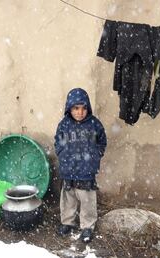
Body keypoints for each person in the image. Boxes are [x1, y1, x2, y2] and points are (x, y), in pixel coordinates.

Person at [54, 88, 107, 243]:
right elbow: (58, 141)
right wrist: (62, 153)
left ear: (88, 108)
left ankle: (87, 226)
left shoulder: (94, 124)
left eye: (84, 108)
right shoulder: (64, 125)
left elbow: (102, 141)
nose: (80, 112)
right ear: (69, 108)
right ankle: (67, 222)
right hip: (68, 169)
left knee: (87, 199)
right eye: (76, 108)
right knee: (68, 198)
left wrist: (96, 154)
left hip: (86, 170)